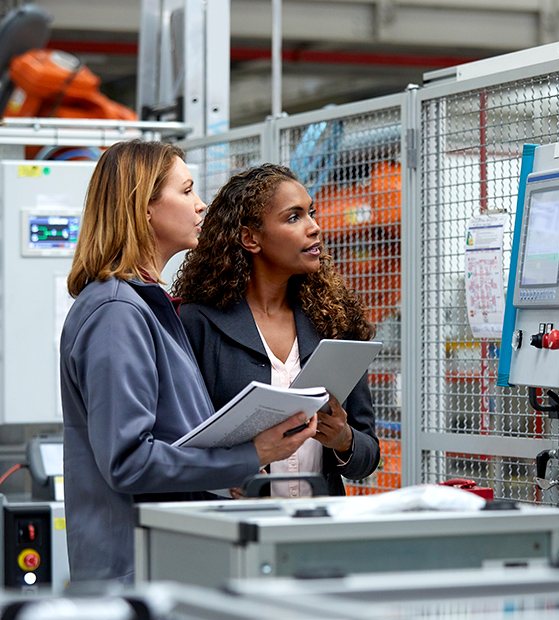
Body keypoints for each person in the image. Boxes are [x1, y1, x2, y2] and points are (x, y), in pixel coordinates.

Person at [60, 142, 317, 583]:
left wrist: (226, 472)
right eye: (187, 191)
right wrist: (249, 454)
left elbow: (171, 434)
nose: (201, 206)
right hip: (136, 571)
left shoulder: (146, 305)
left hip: (162, 560)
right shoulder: (117, 312)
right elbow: (128, 461)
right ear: (144, 207)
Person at [173, 163, 380, 497]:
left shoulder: (334, 322)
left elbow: (368, 456)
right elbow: (178, 443)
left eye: (312, 213)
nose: (314, 228)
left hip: (315, 531)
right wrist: (227, 475)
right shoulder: (197, 323)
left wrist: (344, 439)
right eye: (294, 217)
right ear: (249, 238)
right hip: (235, 532)